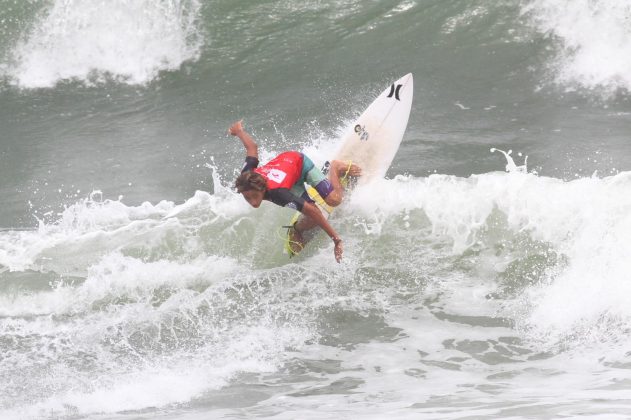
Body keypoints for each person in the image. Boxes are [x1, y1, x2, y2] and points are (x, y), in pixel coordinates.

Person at [229, 120, 360, 263]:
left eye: (254, 196)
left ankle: (335, 168)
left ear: (261, 188)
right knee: (312, 218)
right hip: (288, 179)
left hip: (299, 163)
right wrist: (239, 132)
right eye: (247, 198)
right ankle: (297, 229)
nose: (253, 203)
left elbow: (314, 211)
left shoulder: (278, 193)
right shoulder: (246, 177)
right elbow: (252, 148)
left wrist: (337, 240)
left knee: (334, 200)